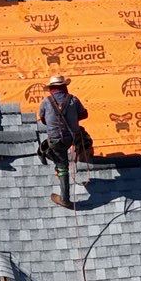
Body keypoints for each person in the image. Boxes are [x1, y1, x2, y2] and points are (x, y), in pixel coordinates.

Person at [36, 75, 92, 208]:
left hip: (55, 140)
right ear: (64, 87)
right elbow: (84, 114)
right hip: (70, 138)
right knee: (84, 137)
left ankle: (65, 199)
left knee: (62, 167)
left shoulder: (46, 102)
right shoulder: (73, 99)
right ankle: (84, 158)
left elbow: (43, 119)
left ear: (51, 89)